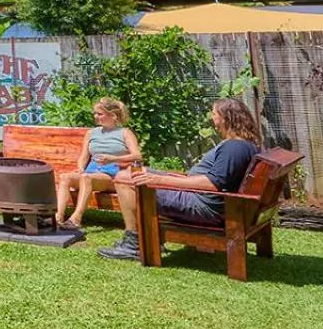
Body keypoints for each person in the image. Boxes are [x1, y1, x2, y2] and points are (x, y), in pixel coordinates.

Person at [98, 98, 263, 261]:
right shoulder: (241, 144)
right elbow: (214, 179)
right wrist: (171, 176)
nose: (212, 118)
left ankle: (133, 243)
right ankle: (145, 238)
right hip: (205, 198)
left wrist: (160, 180)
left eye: (214, 114)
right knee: (136, 172)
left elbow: (212, 184)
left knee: (124, 179)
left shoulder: (234, 147)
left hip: (203, 205)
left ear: (225, 118)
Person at [54, 97, 143, 230]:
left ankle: (76, 219)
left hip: (113, 174)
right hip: (91, 173)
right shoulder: (91, 133)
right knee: (65, 177)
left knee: (86, 178)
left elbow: (138, 156)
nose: (96, 116)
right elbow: (84, 156)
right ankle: (58, 218)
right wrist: (80, 168)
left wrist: (112, 159)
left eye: (100, 114)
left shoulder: (125, 133)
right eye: (95, 113)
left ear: (113, 115)